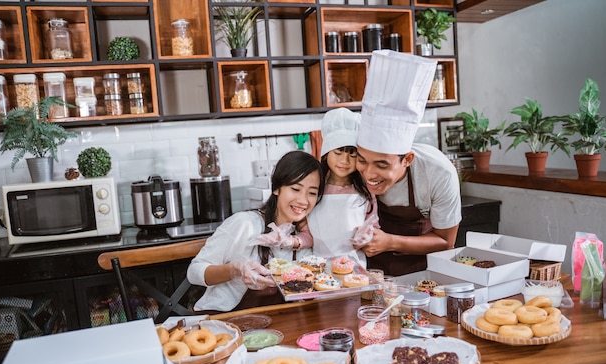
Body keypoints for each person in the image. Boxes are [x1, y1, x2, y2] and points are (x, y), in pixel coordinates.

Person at [353, 50, 462, 276]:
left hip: (421, 274)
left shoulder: (438, 174)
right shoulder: (348, 168)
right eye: (362, 160)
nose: (368, 173)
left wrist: (390, 242)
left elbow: (446, 241)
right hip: (366, 274)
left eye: (382, 165)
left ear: (407, 159)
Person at [186, 150, 325, 313]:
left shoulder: (303, 240)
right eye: (295, 189)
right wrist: (235, 270)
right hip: (224, 321)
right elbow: (194, 272)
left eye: (312, 193)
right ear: (277, 188)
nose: (303, 200)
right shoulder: (245, 224)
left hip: (276, 324)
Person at [298, 107, 377, 267]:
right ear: (326, 153)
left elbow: (373, 224)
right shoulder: (315, 187)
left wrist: (367, 235)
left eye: (352, 154)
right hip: (316, 265)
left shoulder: (365, 190)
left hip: (354, 266)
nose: (345, 161)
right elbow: (304, 229)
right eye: (338, 152)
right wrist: (292, 240)